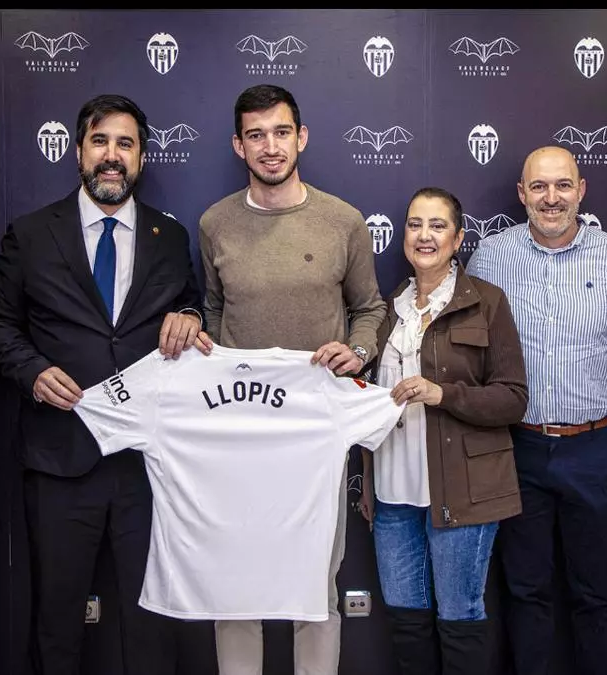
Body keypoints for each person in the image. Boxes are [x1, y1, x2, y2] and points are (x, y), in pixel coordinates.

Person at [0, 94, 208, 675]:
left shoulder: (169, 236)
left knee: (152, 622)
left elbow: (189, 306)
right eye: (100, 141)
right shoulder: (32, 234)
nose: (112, 155)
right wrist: (32, 372)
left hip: (148, 465)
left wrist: (192, 316)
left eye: (125, 144)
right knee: (56, 621)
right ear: (78, 151)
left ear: (142, 156)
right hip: (60, 457)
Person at [198, 83, 387, 675]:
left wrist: (358, 351)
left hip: (317, 431)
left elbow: (370, 309)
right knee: (235, 582)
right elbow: (212, 311)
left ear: (301, 137)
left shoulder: (343, 221)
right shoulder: (214, 223)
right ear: (239, 145)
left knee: (315, 580)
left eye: (281, 132)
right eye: (256, 135)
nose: (270, 146)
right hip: (237, 432)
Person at [467, 146, 607, 675]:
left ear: (581, 190)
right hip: (518, 449)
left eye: (563, 185)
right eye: (539, 186)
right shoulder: (490, 257)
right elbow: (468, 352)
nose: (551, 198)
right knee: (525, 592)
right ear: (522, 194)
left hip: (596, 449)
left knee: (595, 594)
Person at [357, 187, 527, 675]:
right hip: (393, 494)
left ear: (457, 239)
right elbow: (369, 402)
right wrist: (368, 483)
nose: (424, 235)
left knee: (459, 619)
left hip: (461, 492)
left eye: (437, 225)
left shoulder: (487, 303)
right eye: (414, 224)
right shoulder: (388, 309)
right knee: (407, 624)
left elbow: (513, 398)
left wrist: (443, 393)